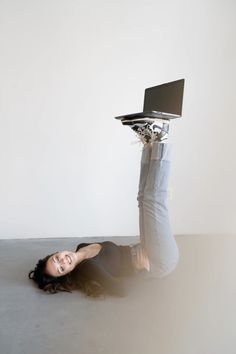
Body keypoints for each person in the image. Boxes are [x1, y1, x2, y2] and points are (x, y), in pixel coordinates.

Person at [28, 117, 179, 297]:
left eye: (56, 259)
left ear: (56, 253)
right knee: (154, 200)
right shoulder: (87, 268)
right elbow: (121, 291)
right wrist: (143, 270)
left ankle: (149, 141)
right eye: (61, 269)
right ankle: (161, 139)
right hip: (158, 261)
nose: (63, 261)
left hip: (145, 247)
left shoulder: (81, 246)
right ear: (66, 274)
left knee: (142, 198)